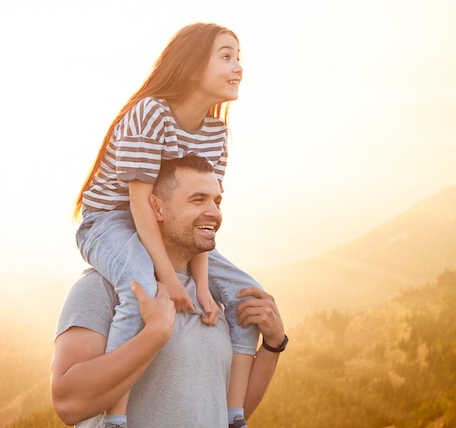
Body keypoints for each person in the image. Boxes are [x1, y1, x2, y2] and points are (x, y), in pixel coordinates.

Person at [72, 23, 262, 428]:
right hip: (110, 220)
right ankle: (115, 418)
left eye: (239, 57)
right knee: (137, 286)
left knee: (250, 294)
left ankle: (233, 415)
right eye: (226, 56)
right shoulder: (150, 113)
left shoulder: (216, 133)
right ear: (193, 67)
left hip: (166, 223)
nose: (239, 67)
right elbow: (140, 204)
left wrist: (204, 285)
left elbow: (199, 220)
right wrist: (170, 281)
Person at [52, 155, 288, 427]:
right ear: (157, 209)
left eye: (217, 201)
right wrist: (155, 333)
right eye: (198, 200)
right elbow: (68, 404)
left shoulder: (211, 297)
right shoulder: (102, 287)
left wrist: (272, 345)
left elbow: (226, 414)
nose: (213, 212)